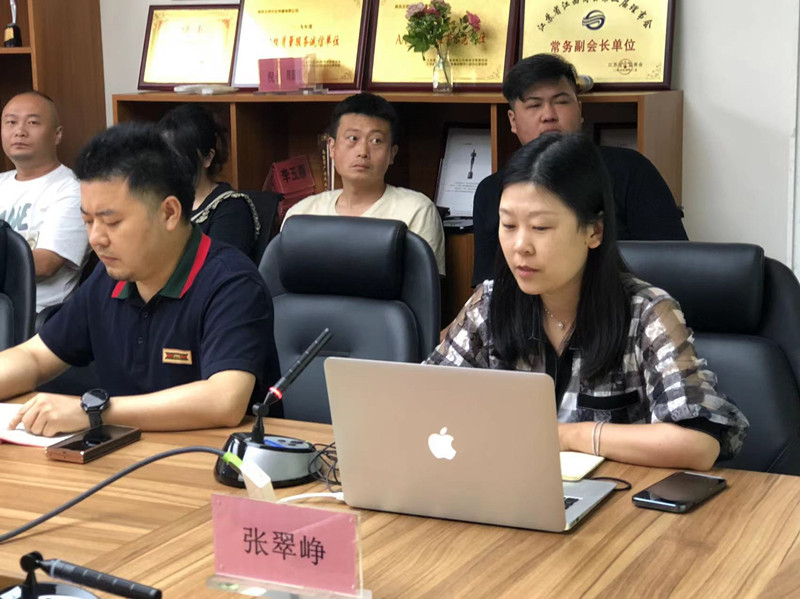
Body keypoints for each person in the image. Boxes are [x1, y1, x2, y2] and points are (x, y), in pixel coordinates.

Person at [428, 133, 748, 470]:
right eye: (508, 225)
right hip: (511, 487)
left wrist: (570, 436)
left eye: (540, 227)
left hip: (619, 496)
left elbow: (697, 443)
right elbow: (422, 400)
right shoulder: (490, 306)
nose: (520, 245)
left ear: (594, 232)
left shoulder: (646, 314)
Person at [1, 122, 280, 437]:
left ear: (169, 213)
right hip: (128, 453)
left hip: (214, 457)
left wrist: (94, 412)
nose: (96, 238)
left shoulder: (231, 282)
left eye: (111, 222)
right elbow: (34, 356)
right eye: (88, 221)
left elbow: (224, 400)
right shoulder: (108, 278)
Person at [471, 54, 687, 286]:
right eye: (534, 105)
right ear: (513, 121)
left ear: (579, 110)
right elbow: (487, 287)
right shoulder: (491, 191)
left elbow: (675, 266)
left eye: (561, 102)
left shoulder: (631, 171)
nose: (549, 115)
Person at [284, 93, 446, 275]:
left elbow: (423, 288)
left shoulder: (415, 210)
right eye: (353, 138)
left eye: (376, 141)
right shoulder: (301, 215)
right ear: (332, 147)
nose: (363, 152)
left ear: (392, 154)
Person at [0, 91, 89, 311]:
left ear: (57, 135)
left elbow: (45, 264)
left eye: (32, 122)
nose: (19, 131)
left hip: (29, 318)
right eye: (11, 122)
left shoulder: (72, 189)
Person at [157, 103, 260, 258]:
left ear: (208, 158)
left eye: (180, 158)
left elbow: (221, 267)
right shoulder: (158, 202)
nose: (171, 166)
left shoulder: (231, 210)